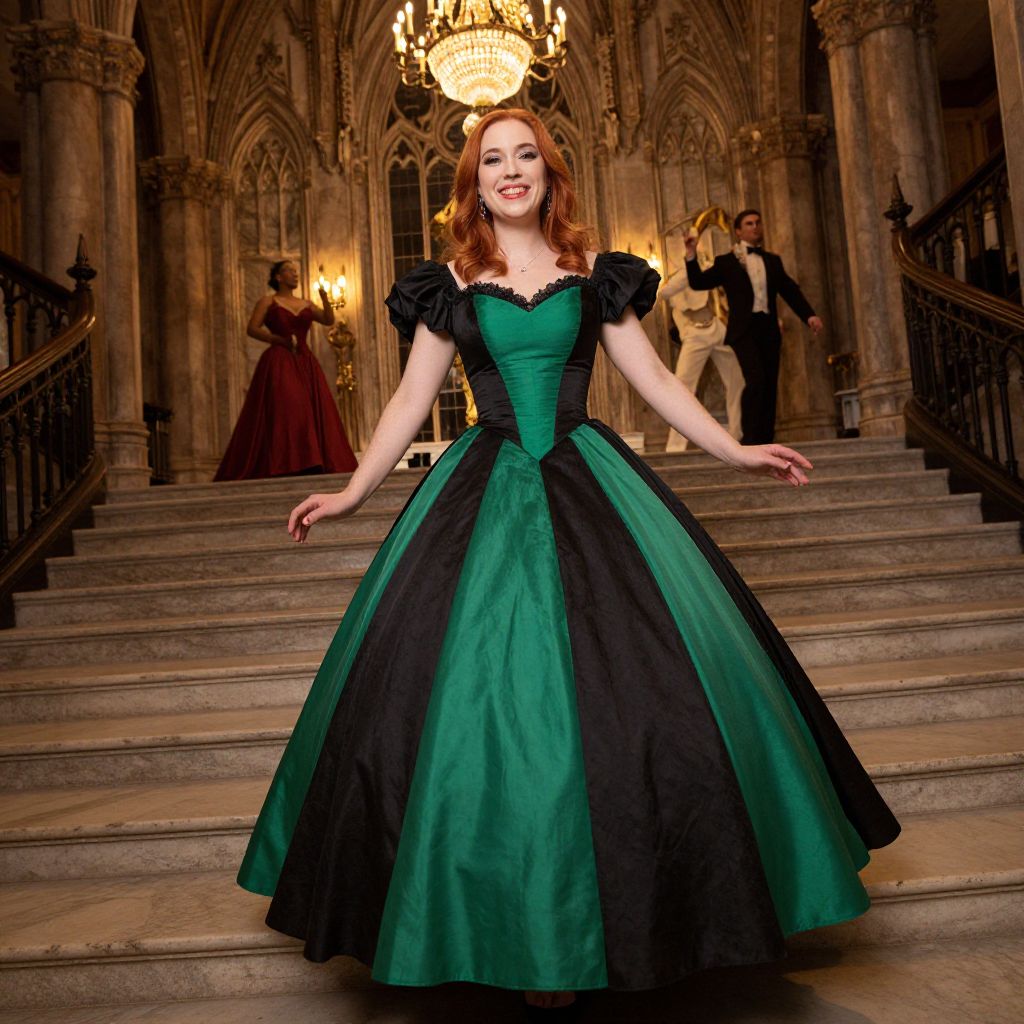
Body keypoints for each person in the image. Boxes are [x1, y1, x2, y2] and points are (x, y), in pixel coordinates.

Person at [236, 109, 899, 1017]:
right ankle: (505, 930)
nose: (511, 172)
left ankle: (626, 923)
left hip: (591, 478)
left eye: (527, 157)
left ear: (550, 172)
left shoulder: (598, 276)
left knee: (646, 692)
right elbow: (406, 402)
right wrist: (352, 493)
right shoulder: (451, 284)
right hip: (482, 483)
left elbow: (657, 382)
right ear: (473, 183)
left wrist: (736, 451)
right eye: (493, 161)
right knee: (460, 707)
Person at [685, 211, 824, 444]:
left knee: (769, 384)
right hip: (743, 331)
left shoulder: (773, 261)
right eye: (749, 224)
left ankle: (766, 439)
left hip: (768, 329)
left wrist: (809, 315)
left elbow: (789, 290)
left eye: (758, 222)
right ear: (738, 231)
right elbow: (698, 282)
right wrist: (690, 255)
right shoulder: (726, 262)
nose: (755, 227)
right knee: (756, 379)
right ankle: (749, 440)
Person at [214, 260, 358, 480]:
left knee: (309, 409)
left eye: (296, 271)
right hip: (279, 360)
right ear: (278, 277)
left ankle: (310, 461)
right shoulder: (268, 301)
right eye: (289, 271)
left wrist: (325, 298)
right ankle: (287, 462)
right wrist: (276, 339)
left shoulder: (307, 304)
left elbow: (328, 320)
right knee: (288, 407)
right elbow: (252, 328)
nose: (295, 274)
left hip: (305, 361)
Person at [659, 255, 744, 451]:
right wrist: (689, 272)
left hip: (716, 328)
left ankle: (736, 435)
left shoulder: (708, 270)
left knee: (737, 379)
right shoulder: (678, 280)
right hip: (694, 334)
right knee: (682, 387)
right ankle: (676, 446)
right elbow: (664, 293)